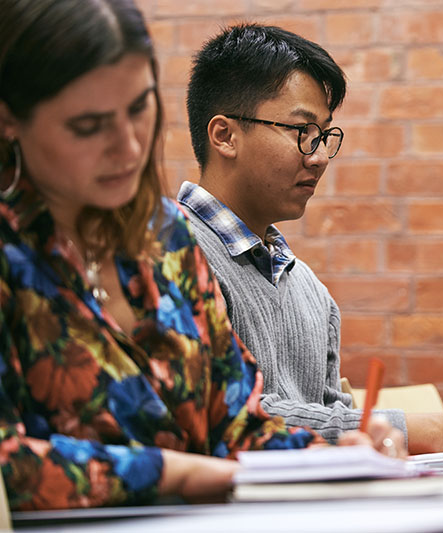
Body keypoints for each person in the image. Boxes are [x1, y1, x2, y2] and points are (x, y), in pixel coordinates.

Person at [0, 0, 403, 511]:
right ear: (10, 122)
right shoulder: (13, 251)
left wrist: (333, 453)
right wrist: (178, 472)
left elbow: (238, 422)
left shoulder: (164, 237)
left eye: (140, 108)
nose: (128, 146)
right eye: (88, 124)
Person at [177, 23, 443, 454]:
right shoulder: (171, 255)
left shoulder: (311, 292)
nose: (321, 156)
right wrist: (435, 430)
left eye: (324, 135)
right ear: (225, 136)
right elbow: (226, 414)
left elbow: (340, 431)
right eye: (301, 132)